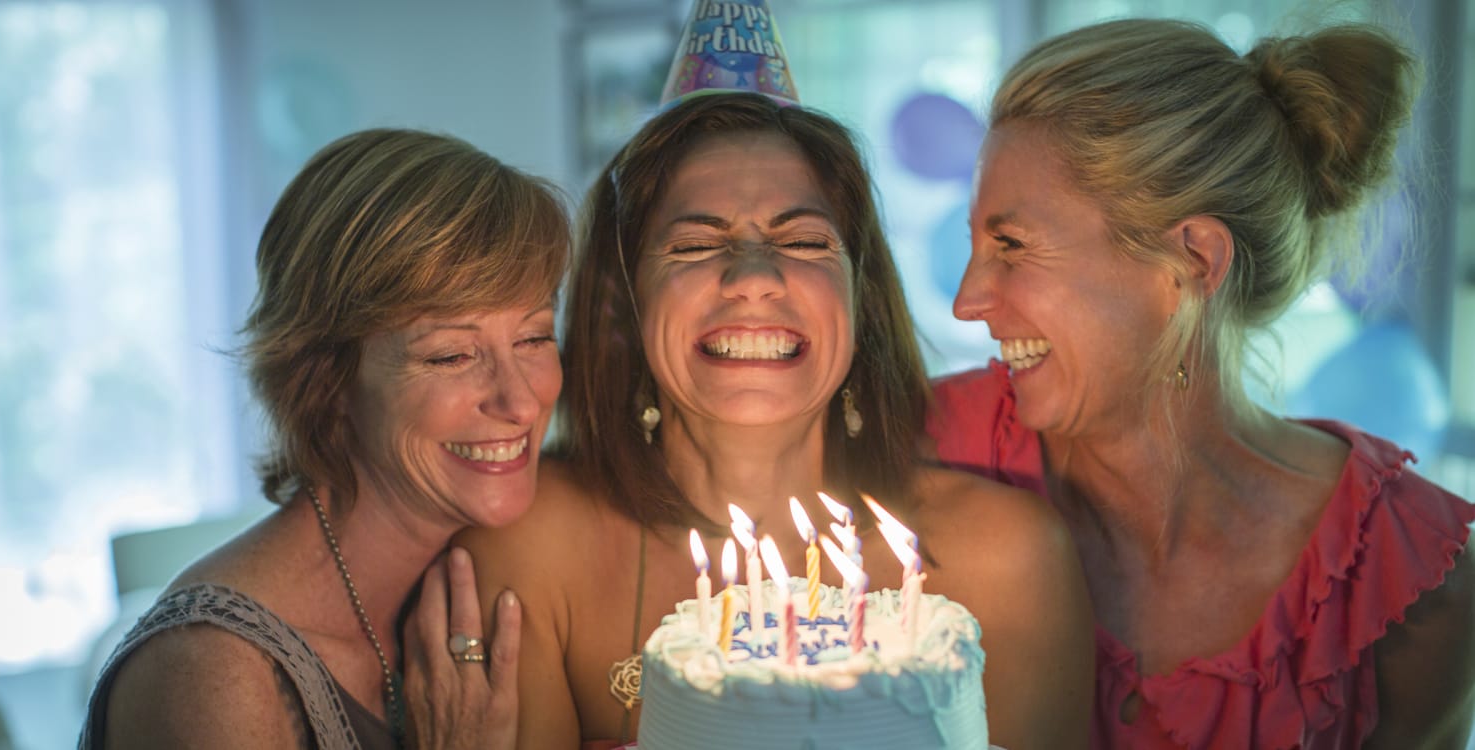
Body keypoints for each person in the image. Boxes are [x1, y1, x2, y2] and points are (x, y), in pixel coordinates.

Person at [455, 91, 1094, 750]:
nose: (754, 277)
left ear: (860, 295)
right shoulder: (529, 551)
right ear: (622, 302)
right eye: (696, 244)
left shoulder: (1007, 563)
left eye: (803, 240)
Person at [927, 17, 1475, 749]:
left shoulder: (1416, 593)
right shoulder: (926, 448)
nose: (968, 299)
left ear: (1192, 261)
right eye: (974, 244)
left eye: (1011, 245)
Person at [79, 128, 570, 749]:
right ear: (326, 379)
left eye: (533, 338)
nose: (521, 400)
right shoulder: (211, 675)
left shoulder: (499, 575)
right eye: (450, 356)